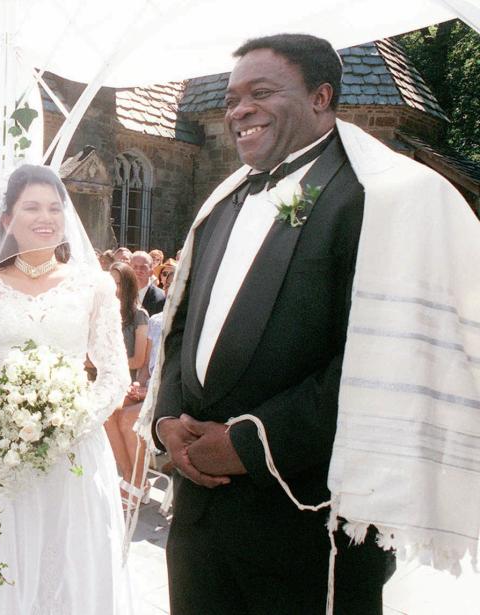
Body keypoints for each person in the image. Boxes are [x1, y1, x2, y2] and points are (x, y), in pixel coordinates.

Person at [149, 34, 397, 614]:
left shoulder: (371, 199)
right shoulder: (221, 204)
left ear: (321, 97)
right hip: (199, 520)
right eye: (233, 97)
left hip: (305, 521)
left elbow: (380, 361)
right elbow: (182, 326)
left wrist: (248, 445)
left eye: (261, 92)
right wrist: (166, 421)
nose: (239, 110)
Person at [0, 164, 132, 614]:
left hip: (74, 447)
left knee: (72, 562)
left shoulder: (93, 285)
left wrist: (72, 420)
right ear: (7, 220)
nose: (46, 217)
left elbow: (115, 374)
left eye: (55, 208)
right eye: (32, 208)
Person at [103, 262, 150, 510]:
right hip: (109, 380)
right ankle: (130, 477)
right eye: (110, 281)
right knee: (107, 415)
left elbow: (139, 359)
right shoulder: (105, 312)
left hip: (129, 380)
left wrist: (109, 365)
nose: (114, 287)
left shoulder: (139, 315)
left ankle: (134, 481)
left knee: (113, 412)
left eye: (118, 282)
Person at [130, 250, 165, 316]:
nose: (138, 270)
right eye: (134, 267)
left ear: (151, 272)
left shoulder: (161, 298)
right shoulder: (120, 294)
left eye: (143, 267)